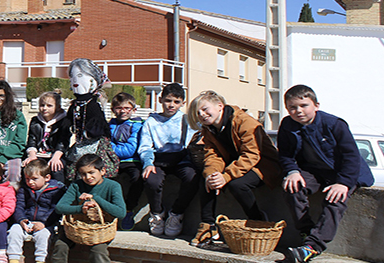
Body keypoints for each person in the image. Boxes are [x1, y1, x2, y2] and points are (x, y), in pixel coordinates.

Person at [278, 85, 374, 263]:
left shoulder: (334, 124)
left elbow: (351, 156)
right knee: (292, 188)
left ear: (316, 105)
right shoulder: (287, 125)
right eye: (292, 107)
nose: (298, 111)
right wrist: (292, 171)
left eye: (304, 105)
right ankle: (306, 232)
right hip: (315, 172)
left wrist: (343, 183)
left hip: (343, 173)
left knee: (335, 199)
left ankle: (313, 246)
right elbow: (285, 154)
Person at [187, 90, 281, 247]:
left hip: (263, 165)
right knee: (207, 178)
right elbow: (213, 156)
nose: (202, 114)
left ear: (219, 106)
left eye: (205, 109)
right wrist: (213, 174)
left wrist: (226, 176)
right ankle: (208, 225)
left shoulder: (244, 121)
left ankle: (259, 221)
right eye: (198, 113)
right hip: (238, 165)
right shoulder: (209, 130)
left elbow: (251, 155)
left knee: (237, 184)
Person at [41, 153, 125, 263]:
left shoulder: (113, 186)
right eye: (83, 174)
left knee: (98, 251)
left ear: (103, 171)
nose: (88, 177)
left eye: (92, 172)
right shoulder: (76, 185)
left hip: (101, 228)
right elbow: (60, 207)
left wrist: (96, 199)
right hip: (77, 227)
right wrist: (81, 208)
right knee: (60, 244)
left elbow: (120, 212)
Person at [137, 82, 198, 238]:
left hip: (181, 159)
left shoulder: (186, 120)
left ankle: (176, 214)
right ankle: (157, 212)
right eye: (168, 100)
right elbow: (145, 146)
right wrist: (148, 163)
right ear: (161, 100)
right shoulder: (151, 121)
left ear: (183, 103)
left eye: (176, 102)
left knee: (192, 178)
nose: (171, 105)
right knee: (151, 180)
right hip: (159, 159)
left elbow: (193, 143)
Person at [2, 159, 65, 263]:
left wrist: (44, 223)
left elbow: (56, 210)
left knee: (43, 236)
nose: (30, 182)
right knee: (14, 231)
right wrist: (21, 220)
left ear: (47, 177)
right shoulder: (24, 189)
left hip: (46, 224)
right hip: (27, 221)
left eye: (34, 179)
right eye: (27, 179)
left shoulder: (57, 190)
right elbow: (19, 206)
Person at [109, 92, 144, 230]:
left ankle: (129, 210)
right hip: (112, 161)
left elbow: (130, 149)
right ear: (113, 110)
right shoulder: (110, 125)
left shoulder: (137, 125)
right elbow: (105, 142)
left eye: (126, 108)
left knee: (137, 178)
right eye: (118, 108)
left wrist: (113, 149)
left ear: (133, 110)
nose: (122, 111)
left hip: (131, 160)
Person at [25, 90, 72, 182]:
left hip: (57, 154)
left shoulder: (64, 121)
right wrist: (32, 155)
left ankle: (59, 190)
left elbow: (63, 141)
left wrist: (56, 157)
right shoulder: (35, 121)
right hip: (39, 153)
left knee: (56, 168)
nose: (44, 108)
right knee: (28, 167)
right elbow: (32, 140)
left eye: (49, 105)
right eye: (42, 105)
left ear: (58, 107)